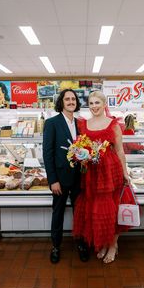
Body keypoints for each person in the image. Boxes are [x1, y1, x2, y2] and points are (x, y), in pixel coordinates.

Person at [73, 91, 129, 264]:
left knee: (111, 209)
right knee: (97, 209)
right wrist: (80, 156)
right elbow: (80, 147)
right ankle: (104, 243)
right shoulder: (84, 124)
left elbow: (119, 150)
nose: (94, 106)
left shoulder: (113, 124)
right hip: (91, 173)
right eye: (91, 103)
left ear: (104, 104)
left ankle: (113, 245)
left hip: (110, 172)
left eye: (97, 103)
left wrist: (125, 172)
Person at [43, 89, 89, 264]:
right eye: (67, 99)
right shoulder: (52, 123)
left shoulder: (81, 124)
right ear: (61, 102)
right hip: (60, 180)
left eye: (73, 99)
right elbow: (47, 154)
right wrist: (53, 180)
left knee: (80, 213)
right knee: (58, 213)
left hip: (79, 178)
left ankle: (81, 243)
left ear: (76, 102)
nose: (71, 101)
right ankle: (55, 246)